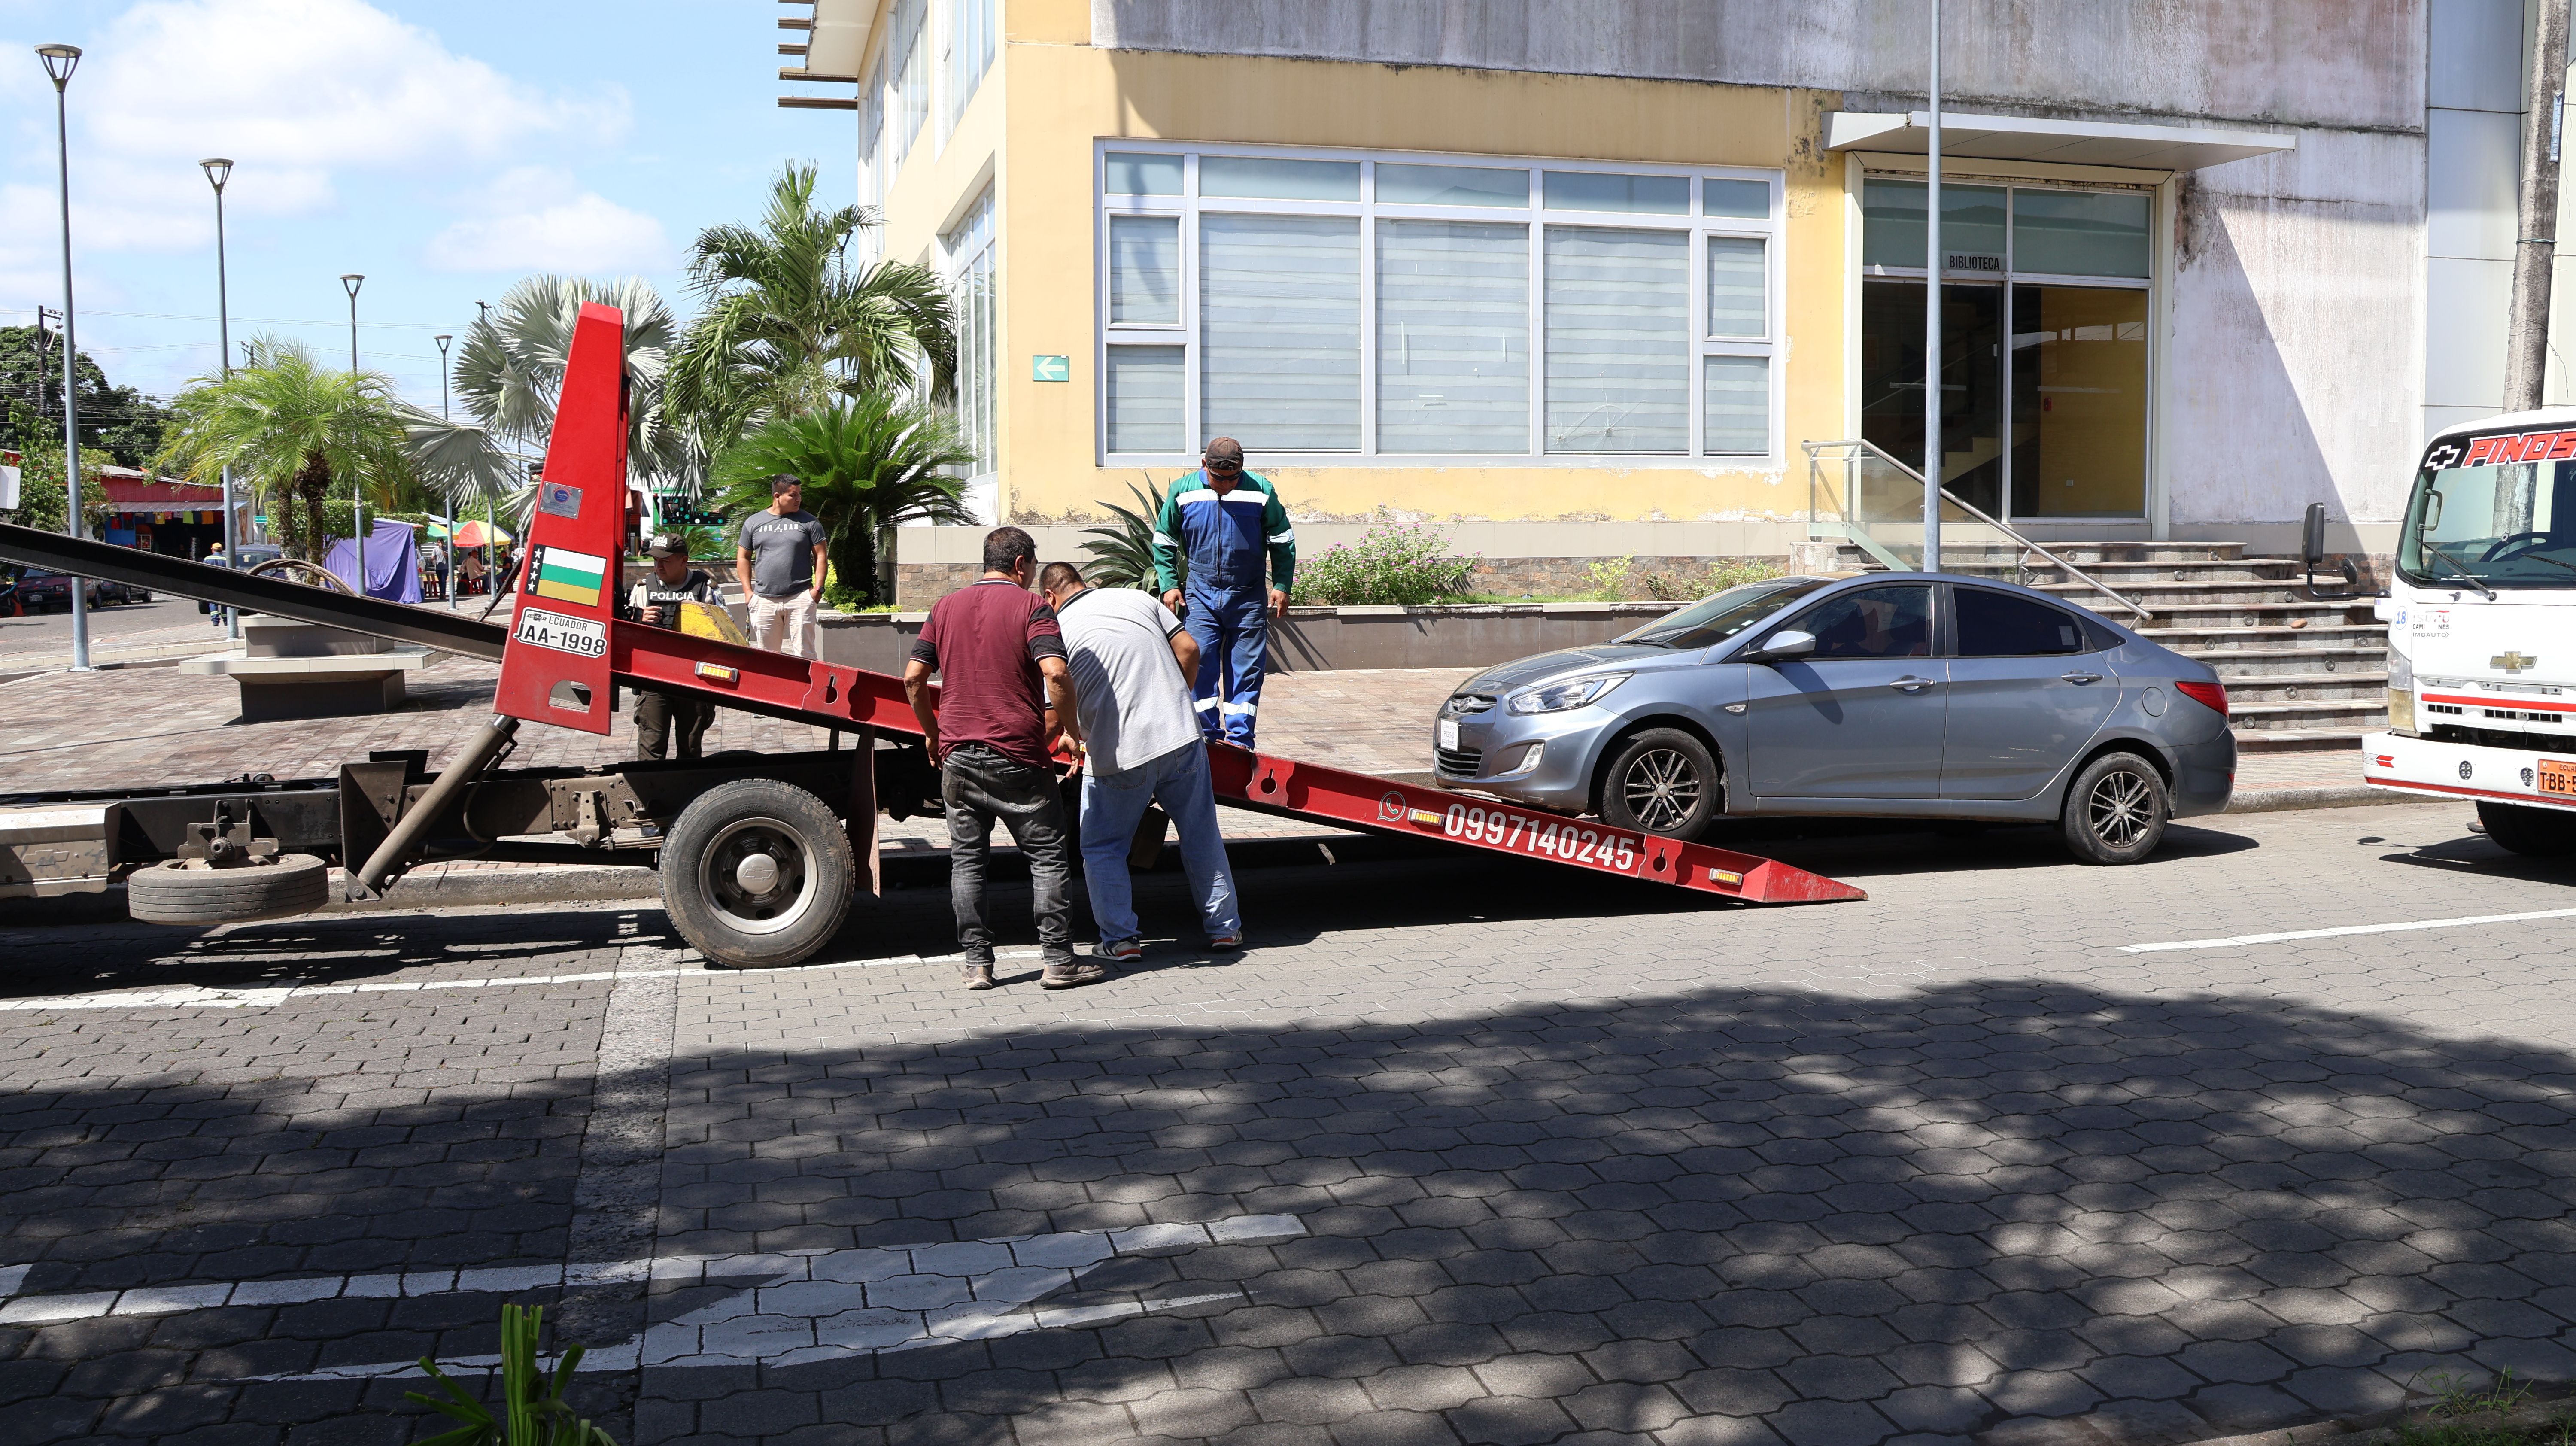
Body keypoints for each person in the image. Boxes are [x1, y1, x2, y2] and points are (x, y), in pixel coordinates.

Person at [903, 527, 1103, 992]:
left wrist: (934, 736)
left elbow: (914, 679)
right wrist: (1073, 732)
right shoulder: (1032, 607)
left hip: (958, 756)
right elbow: (1055, 671)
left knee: (968, 862)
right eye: (1031, 568)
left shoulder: (944, 607)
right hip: (1018, 756)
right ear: (1020, 565)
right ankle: (1057, 960)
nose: (1032, 577)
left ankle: (977, 964)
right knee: (1048, 857)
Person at [1039, 561, 1242, 960]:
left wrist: (1068, 734)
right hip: (1182, 737)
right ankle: (1225, 931)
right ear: (1084, 582)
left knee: (1103, 847)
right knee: (1201, 834)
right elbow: (1190, 648)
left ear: (1050, 597)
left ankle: (1121, 940)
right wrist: (1174, 701)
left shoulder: (1056, 630)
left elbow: (1053, 704)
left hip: (1120, 753)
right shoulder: (1137, 598)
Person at [1151, 437, 1297, 750]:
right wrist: (1169, 584)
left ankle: (1241, 742)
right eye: (1220, 478)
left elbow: (1282, 539)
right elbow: (1165, 540)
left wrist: (1283, 584)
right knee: (1198, 663)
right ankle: (1206, 738)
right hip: (1201, 595)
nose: (1227, 485)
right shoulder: (1183, 491)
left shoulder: (1261, 490)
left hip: (1247, 596)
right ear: (1204, 466)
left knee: (1246, 671)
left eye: (1233, 478)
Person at [629, 532, 718, 761]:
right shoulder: (642, 588)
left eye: (665, 561)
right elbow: (624, 635)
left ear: (684, 560)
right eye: (655, 561)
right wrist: (638, 618)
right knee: (652, 748)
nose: (658, 566)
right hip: (654, 679)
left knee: (690, 749)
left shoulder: (705, 589)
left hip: (694, 680)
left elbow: (724, 631)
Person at [737, 474, 829, 658]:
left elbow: (821, 555)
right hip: (764, 600)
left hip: (800, 597)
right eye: (793, 495)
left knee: (806, 655)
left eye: (800, 494)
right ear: (777, 497)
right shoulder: (754, 523)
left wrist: (817, 590)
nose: (799, 499)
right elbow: (743, 557)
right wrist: (749, 593)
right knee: (767, 658)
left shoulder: (810, 522)